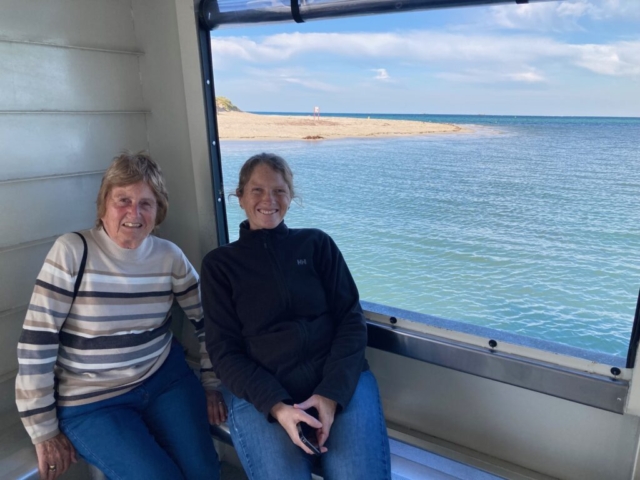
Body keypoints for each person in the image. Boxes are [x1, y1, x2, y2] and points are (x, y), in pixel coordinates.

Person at [15, 152, 225, 480]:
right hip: (92, 400)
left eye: (146, 203)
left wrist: (212, 383)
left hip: (165, 382)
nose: (134, 212)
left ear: (159, 211)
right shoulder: (72, 251)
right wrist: (43, 430)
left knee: (205, 471)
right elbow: (36, 344)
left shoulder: (169, 257)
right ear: (103, 207)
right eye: (122, 200)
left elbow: (208, 321)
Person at [201, 153, 391, 480]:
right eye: (257, 191)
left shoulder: (317, 244)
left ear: (291, 196)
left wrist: (331, 394)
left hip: (339, 378)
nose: (268, 200)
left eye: (279, 191)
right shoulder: (220, 265)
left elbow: (350, 320)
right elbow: (224, 352)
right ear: (240, 197)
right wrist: (278, 406)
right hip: (261, 391)